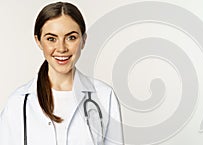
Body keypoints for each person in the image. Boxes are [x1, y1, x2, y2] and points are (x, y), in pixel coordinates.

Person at [0, 2, 124, 145]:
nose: (61, 48)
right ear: (38, 41)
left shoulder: (104, 96)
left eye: (71, 37)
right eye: (51, 39)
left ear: (83, 40)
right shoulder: (18, 102)